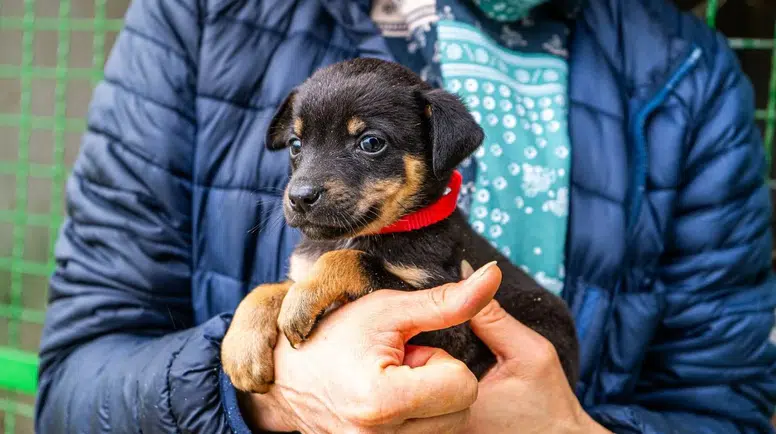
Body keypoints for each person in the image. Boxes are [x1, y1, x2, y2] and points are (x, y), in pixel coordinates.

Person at [34, 0, 776, 432]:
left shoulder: (688, 72)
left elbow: (725, 403)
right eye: (298, 151)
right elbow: (71, 385)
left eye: (370, 146)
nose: (305, 185)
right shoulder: (204, 16)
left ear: (439, 150)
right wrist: (266, 399)